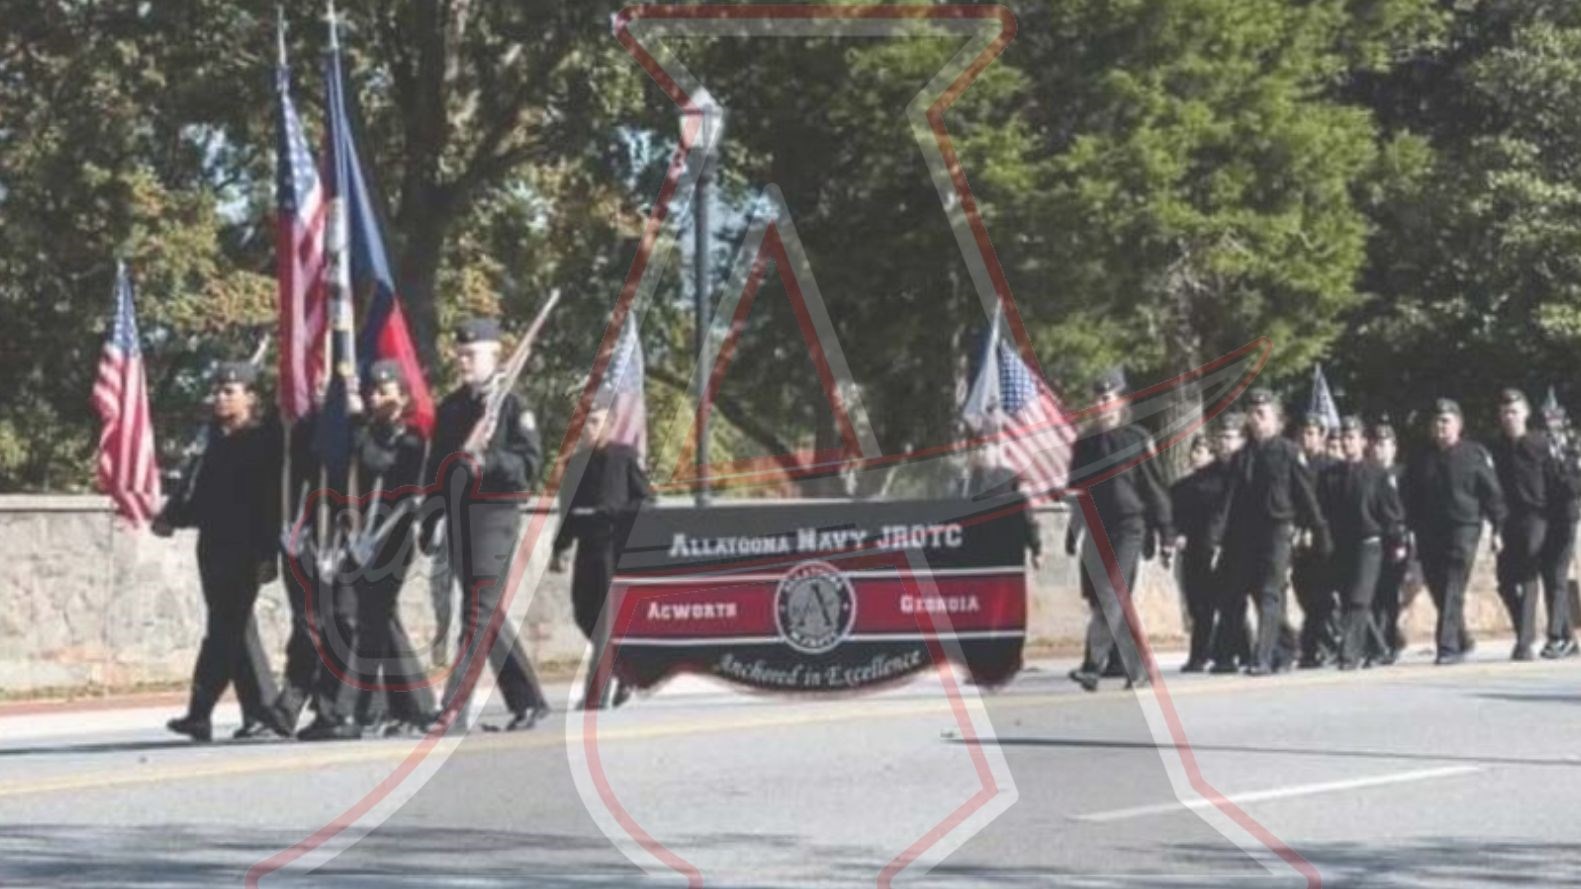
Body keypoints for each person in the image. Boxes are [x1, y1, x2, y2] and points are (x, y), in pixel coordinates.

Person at [422, 317, 551, 731]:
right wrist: (430, 517)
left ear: (495, 354)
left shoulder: (514, 405)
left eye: (471, 354)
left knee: (476, 610)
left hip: (496, 512)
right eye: (459, 354)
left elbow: (528, 464)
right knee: (487, 611)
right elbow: (436, 470)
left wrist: (487, 462)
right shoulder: (452, 408)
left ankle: (453, 705)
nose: (462, 361)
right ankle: (528, 699)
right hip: (460, 515)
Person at [153, 362, 283, 743]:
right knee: (233, 629)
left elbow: (268, 503)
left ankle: (205, 712)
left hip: (247, 547)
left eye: (231, 391)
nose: (221, 398)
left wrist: (267, 553)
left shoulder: (262, 440)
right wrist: (172, 518)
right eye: (218, 391)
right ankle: (258, 712)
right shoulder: (212, 439)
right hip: (213, 546)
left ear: (251, 397)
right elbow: (202, 493)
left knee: (226, 630)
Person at [318, 360, 441, 739]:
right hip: (360, 538)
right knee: (372, 616)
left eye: (386, 392)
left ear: (403, 397)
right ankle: (415, 706)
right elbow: (344, 477)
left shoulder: (412, 439)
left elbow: (382, 463)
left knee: (370, 618)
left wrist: (358, 426)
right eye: (372, 392)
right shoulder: (365, 434)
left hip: (393, 535)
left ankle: (352, 710)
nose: (377, 399)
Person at [1064, 367, 1173, 692]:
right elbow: (1078, 492)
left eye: (1107, 398)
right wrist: (1073, 532)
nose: (1101, 404)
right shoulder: (1085, 445)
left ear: (1120, 401)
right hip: (1098, 527)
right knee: (1109, 597)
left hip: (1130, 526)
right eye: (1097, 398)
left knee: (1112, 592)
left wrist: (1165, 532)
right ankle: (1139, 667)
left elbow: (1154, 487)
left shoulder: (1136, 439)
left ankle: (1091, 666)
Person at [1209, 389, 1330, 676]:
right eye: (1252, 414)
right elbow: (1227, 503)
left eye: (1262, 414)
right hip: (1247, 534)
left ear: (1277, 420)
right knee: (1247, 590)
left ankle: (1261, 657)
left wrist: (1319, 530)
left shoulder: (1288, 452)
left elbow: (1305, 497)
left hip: (1278, 529)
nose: (1256, 419)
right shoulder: (1242, 457)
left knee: (1269, 592)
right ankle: (1285, 646)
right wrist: (1214, 538)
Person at [550, 406, 655, 709]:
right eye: (585, 422)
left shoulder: (623, 457)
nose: (588, 428)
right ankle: (625, 668)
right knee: (584, 614)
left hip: (614, 548)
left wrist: (616, 514)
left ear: (609, 425)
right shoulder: (576, 464)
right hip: (587, 548)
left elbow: (645, 499)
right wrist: (560, 548)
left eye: (594, 422)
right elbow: (568, 512)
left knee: (606, 625)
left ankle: (595, 695)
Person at [1405, 399, 1505, 665]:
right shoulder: (1420, 458)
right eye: (1437, 421)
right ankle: (1462, 637)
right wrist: (1409, 531)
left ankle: (1447, 646)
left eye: (1446, 421)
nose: (1441, 426)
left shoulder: (1473, 454)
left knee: (1453, 583)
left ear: (1459, 425)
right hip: (1429, 531)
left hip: (1464, 527)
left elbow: (1492, 494)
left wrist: (1498, 527)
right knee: (1439, 588)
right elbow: (1410, 498)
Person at [1321, 416, 1406, 670]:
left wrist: (1397, 541)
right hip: (1342, 544)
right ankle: (1379, 648)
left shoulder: (1376, 474)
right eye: (1343, 438)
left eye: (1352, 438)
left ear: (1363, 441)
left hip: (1370, 544)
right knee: (1349, 600)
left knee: (1358, 598)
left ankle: (1350, 654)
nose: (1347, 443)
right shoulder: (1330, 476)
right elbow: (1323, 511)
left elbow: (1391, 512)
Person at [1489, 389, 1555, 661]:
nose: (1509, 417)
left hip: (1537, 515)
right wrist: (1495, 528)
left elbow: (1555, 478)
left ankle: (1524, 641)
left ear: (1526, 414)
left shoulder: (1540, 443)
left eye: (1514, 411)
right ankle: (1524, 629)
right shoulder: (1496, 448)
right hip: (1508, 519)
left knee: (1528, 574)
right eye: (1505, 412)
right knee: (1504, 581)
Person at [1170, 434, 1223, 672]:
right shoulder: (1181, 488)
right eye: (1194, 450)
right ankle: (1202, 652)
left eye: (1201, 450)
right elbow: (1172, 517)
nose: (1195, 455)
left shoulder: (1221, 484)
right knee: (1196, 605)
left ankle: (1207, 653)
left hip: (1214, 549)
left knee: (1215, 605)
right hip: (1190, 552)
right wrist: (1176, 534)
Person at [1294, 412, 1340, 668]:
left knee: (1321, 595)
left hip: (1325, 538)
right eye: (1302, 433)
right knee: (1304, 591)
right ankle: (1318, 644)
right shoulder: (1296, 464)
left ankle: (1319, 646)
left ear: (1322, 436)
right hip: (1301, 540)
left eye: (1311, 433)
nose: (1306, 438)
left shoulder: (1330, 467)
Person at [1206, 413, 1251, 673]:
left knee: (1262, 599)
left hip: (1250, 540)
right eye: (1221, 437)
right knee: (1230, 600)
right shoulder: (1212, 472)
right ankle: (1229, 654)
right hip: (1227, 544)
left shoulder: (1248, 466)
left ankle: (1280, 648)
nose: (1225, 442)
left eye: (1230, 437)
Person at [1538, 392, 1580, 658]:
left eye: (1556, 418)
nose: (1551, 424)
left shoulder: (1573, 447)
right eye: (1547, 419)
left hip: (1566, 515)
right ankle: (1565, 634)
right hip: (1542, 517)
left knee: (1557, 574)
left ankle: (1557, 636)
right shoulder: (1539, 446)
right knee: (1549, 576)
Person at [1367, 419, 1411, 664]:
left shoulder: (1402, 475)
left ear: (1394, 447)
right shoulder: (1367, 473)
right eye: (1375, 444)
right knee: (1373, 594)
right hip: (1374, 542)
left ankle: (1390, 640)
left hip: (1399, 541)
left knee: (1390, 595)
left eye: (1384, 444)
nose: (1379, 449)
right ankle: (1379, 642)